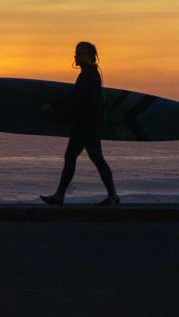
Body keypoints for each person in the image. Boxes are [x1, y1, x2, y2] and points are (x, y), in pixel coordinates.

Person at [41, 41, 120, 206]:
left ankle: (60, 196)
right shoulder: (89, 74)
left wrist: (55, 109)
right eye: (76, 52)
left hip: (86, 127)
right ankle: (112, 195)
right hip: (87, 125)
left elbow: (78, 100)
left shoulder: (89, 75)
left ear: (91, 56)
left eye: (80, 53)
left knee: (74, 157)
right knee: (94, 158)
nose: (76, 56)